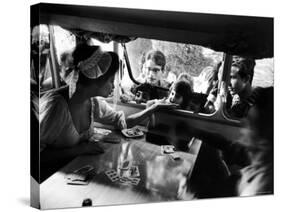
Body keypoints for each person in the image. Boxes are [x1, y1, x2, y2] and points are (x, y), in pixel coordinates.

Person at [40, 44, 174, 181]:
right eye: (111, 81)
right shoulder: (56, 107)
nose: (114, 86)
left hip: (74, 171)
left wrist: (152, 108)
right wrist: (80, 150)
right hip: (50, 180)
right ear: (95, 80)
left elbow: (121, 122)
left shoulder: (92, 103)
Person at [191, 87, 273, 197]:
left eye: (250, 124)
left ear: (264, 141)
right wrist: (194, 132)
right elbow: (228, 145)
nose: (244, 129)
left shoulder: (259, 189)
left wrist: (189, 196)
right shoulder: (259, 158)